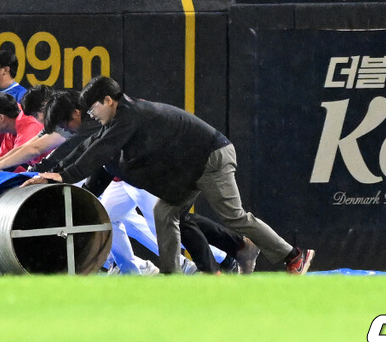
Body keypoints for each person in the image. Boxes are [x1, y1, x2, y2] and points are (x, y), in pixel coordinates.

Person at [24, 76, 314, 275]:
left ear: (109, 100)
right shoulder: (119, 118)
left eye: (94, 107)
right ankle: (172, 277)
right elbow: (91, 147)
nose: (92, 114)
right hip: (190, 167)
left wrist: (61, 176)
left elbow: (98, 153)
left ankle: (294, 256)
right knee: (165, 213)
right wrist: (58, 173)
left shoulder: (129, 117)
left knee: (233, 216)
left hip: (211, 157)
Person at [0, 92, 44, 164]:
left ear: (1, 118)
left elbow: (15, 162)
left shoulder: (30, 127)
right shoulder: (10, 129)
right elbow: (1, 158)